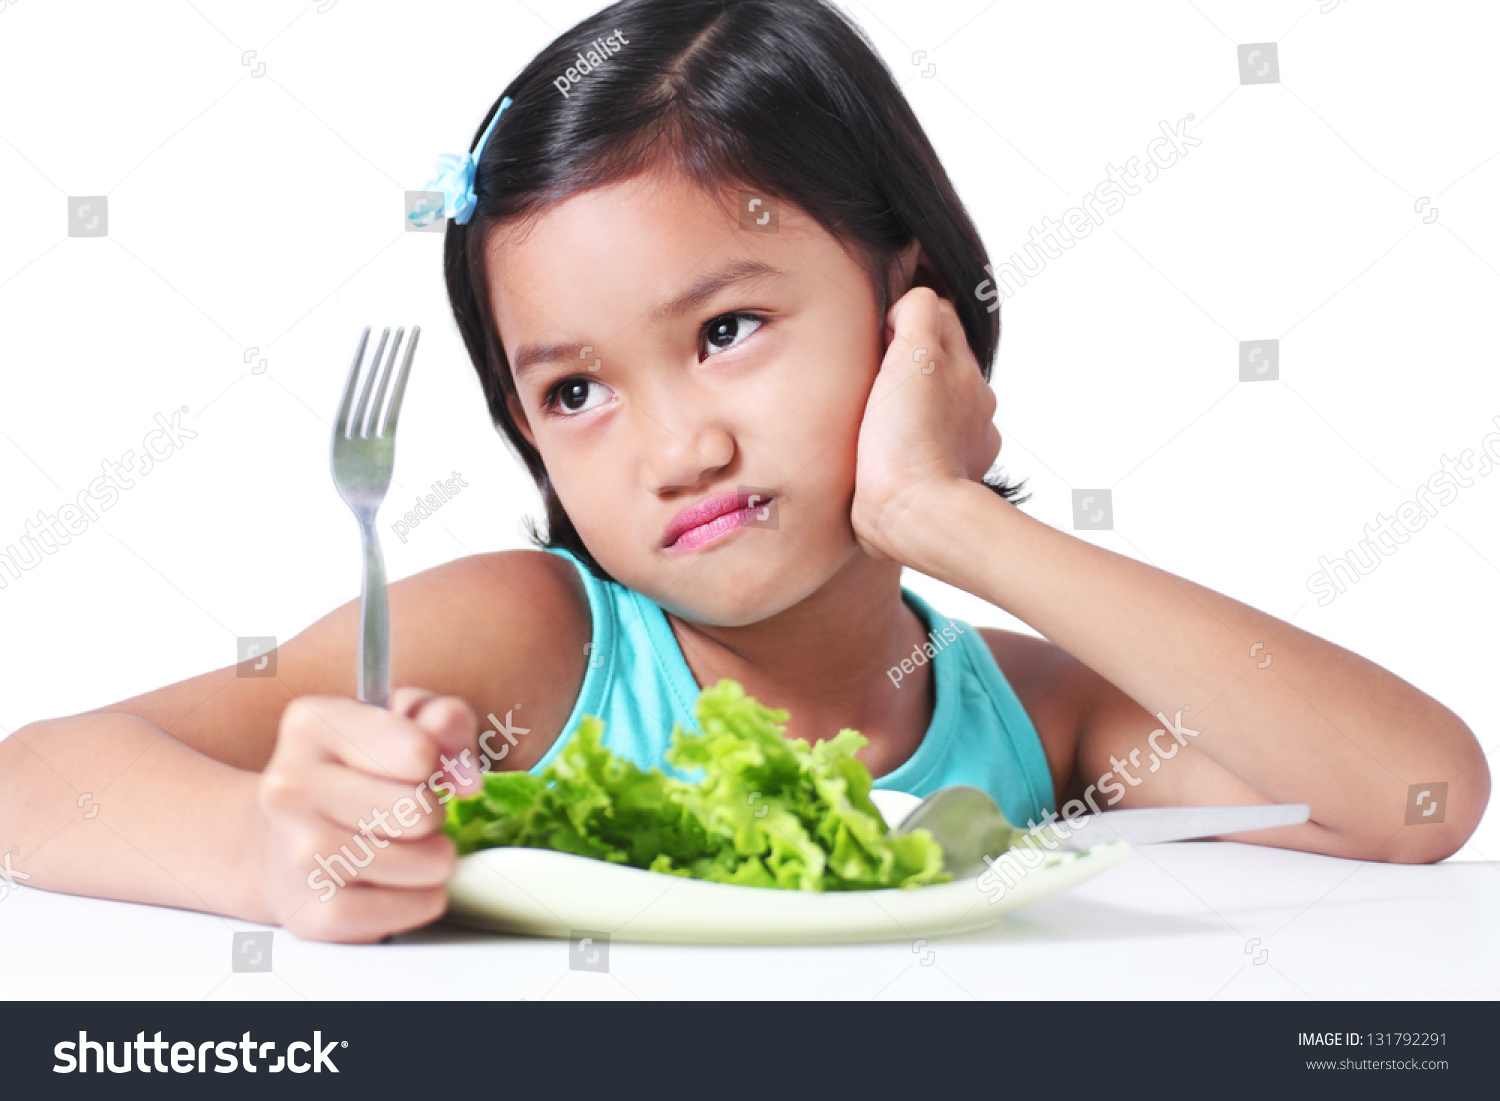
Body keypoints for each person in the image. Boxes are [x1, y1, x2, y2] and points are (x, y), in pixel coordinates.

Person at [1, 0, 1486, 943]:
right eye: (572, 388)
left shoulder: (1041, 717)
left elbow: (1418, 798)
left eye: (726, 329)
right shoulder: (531, 639)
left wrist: (947, 516)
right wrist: (269, 857)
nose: (678, 445)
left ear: (912, 304)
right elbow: (34, 779)